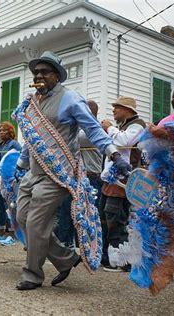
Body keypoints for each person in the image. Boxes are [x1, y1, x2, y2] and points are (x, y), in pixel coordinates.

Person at [13, 51, 131, 290]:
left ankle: (32, 274)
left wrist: (114, 154)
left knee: (36, 222)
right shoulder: (32, 102)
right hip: (33, 173)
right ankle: (66, 259)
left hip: (58, 173)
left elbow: (94, 129)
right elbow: (31, 139)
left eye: (44, 71)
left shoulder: (71, 98)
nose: (39, 75)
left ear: (57, 75)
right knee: (22, 218)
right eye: (36, 72)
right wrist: (20, 164)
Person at [98, 96, 146, 271]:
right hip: (112, 179)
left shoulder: (138, 124)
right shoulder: (124, 126)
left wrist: (108, 127)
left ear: (127, 110)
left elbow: (124, 141)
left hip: (123, 180)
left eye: (117, 108)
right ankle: (107, 257)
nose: (113, 111)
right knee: (105, 217)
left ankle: (121, 261)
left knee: (116, 218)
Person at [54, 100, 103, 250]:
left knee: (84, 214)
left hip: (89, 177)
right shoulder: (81, 127)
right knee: (68, 211)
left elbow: (69, 140)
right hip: (77, 176)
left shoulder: (92, 128)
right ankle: (66, 245)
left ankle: (83, 249)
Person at [0, 122, 21, 242]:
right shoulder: (1, 145)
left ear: (10, 131)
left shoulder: (14, 144)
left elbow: (18, 159)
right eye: (0, 130)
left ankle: (12, 234)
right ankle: (0, 232)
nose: (1, 132)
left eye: (4, 130)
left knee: (9, 206)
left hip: (7, 181)